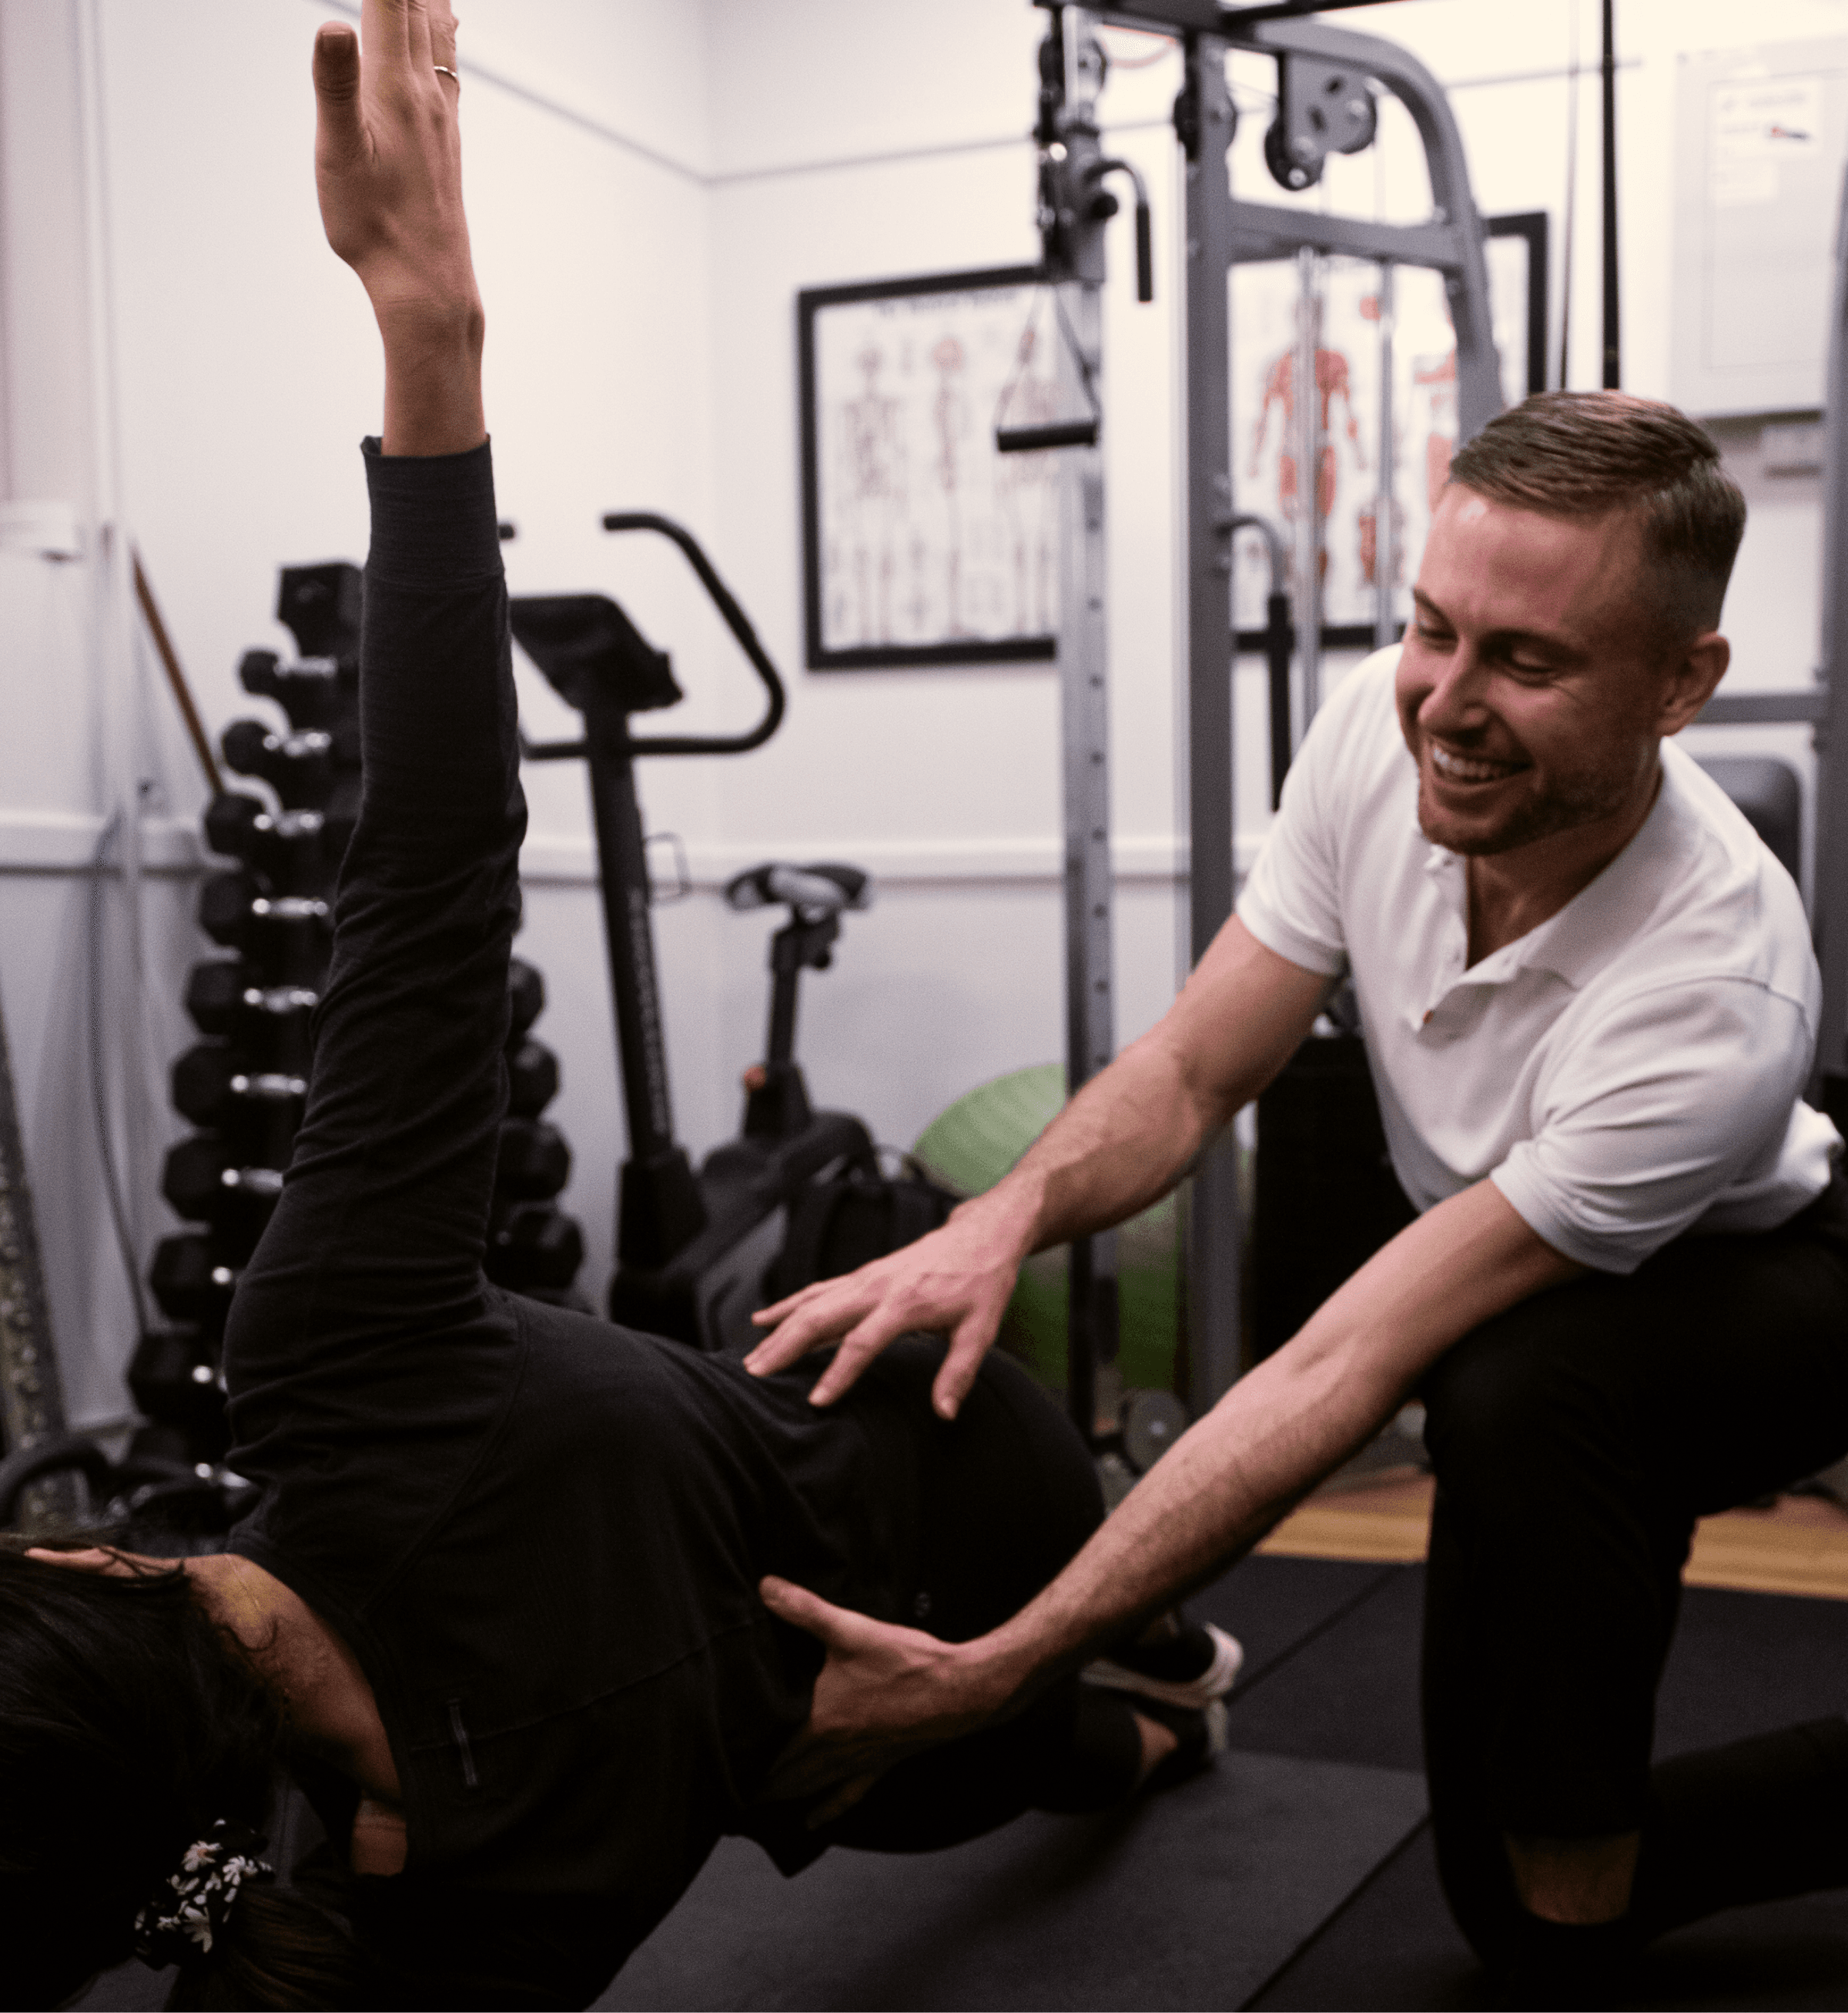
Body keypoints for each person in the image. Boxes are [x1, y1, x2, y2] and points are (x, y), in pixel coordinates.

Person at [0, 8, 1234, 2010]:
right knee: (1129, 1716)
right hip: (948, 1465)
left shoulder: (441, 1940)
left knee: (1089, 1747)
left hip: (847, 1762)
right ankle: (1158, 1673)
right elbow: (422, 872)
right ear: (82, 1560)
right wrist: (430, 336)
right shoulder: (337, 1361)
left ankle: (1147, 1695)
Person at [745, 388, 1848, 2002]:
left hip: (1763, 1289)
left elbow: (1348, 1367)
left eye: (1526, 661)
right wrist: (993, 1222)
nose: (1446, 703)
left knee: (1516, 1424)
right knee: (1496, 1879)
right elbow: (1193, 1072)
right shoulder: (1381, 736)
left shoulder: (1715, 990)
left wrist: (996, 1670)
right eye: (1429, 629)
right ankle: (1177, 1666)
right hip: (1523, 1311)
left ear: (1681, 684)